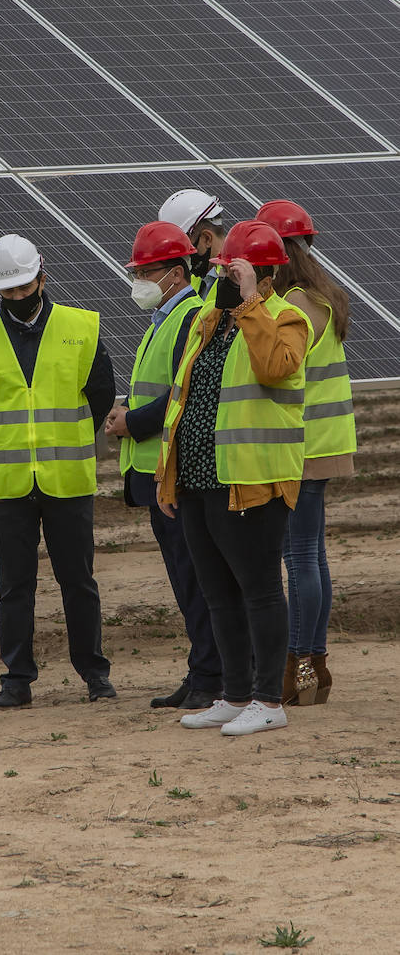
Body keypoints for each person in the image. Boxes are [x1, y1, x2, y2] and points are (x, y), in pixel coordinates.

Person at [156, 219, 311, 737]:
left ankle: (268, 700)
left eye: (234, 269)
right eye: (223, 269)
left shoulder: (286, 318)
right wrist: (168, 471)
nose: (223, 276)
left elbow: (273, 368)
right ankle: (235, 694)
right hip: (200, 476)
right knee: (218, 592)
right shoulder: (209, 317)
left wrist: (250, 302)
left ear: (264, 274)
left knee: (259, 590)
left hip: (253, 480)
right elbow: (184, 394)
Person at [0, 234, 116, 710]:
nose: (18, 297)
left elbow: (101, 394)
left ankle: (94, 673)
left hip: (67, 479)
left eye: (25, 288)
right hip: (7, 483)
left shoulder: (81, 327)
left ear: (42, 279)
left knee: (78, 581)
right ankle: (17, 679)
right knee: (14, 586)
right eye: (9, 291)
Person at [105, 221, 221, 710]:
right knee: (185, 577)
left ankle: (211, 676)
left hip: (172, 473)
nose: (139, 280)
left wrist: (131, 421)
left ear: (176, 273)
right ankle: (203, 671)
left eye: (146, 272)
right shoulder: (165, 319)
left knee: (195, 579)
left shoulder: (190, 316)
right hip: (156, 471)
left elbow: (182, 392)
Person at [257, 199, 356, 706]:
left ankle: (297, 666)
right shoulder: (325, 296)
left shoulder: (295, 305)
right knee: (312, 555)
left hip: (304, 447)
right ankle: (316, 666)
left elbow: (278, 371)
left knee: (298, 559)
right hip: (327, 442)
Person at [158, 189, 226, 303]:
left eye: (182, 245)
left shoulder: (237, 282)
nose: (178, 255)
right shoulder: (192, 281)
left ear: (207, 238)